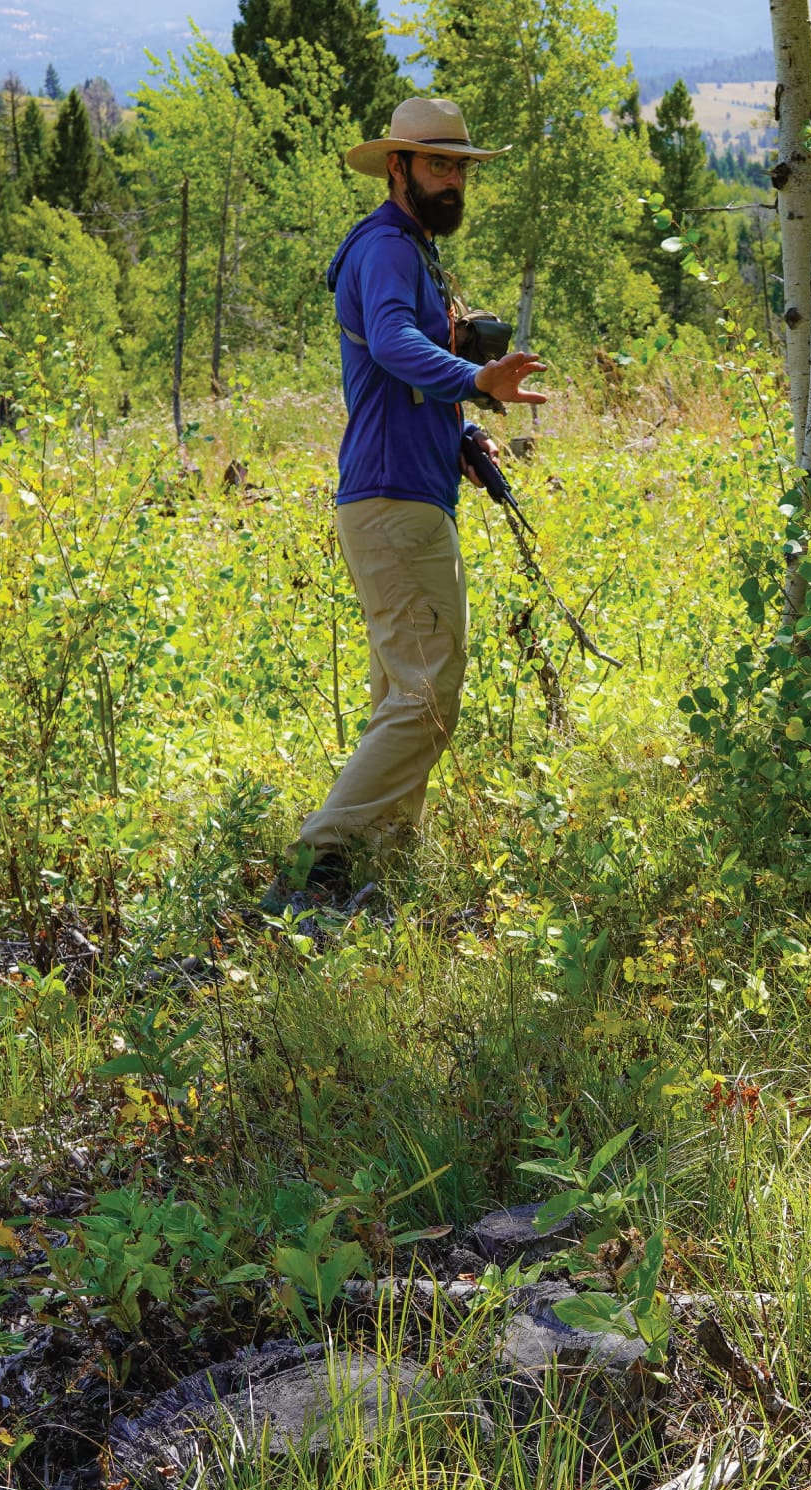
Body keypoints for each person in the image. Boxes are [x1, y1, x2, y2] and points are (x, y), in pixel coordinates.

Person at [263, 98, 547, 914]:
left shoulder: (412, 250)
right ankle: (319, 857)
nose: (453, 180)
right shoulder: (388, 250)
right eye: (437, 164)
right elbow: (391, 343)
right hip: (392, 502)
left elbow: (394, 380)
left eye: (459, 166)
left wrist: (459, 434)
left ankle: (384, 865)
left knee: (406, 695)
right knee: (428, 698)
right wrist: (473, 381)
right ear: (397, 167)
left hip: (403, 489)